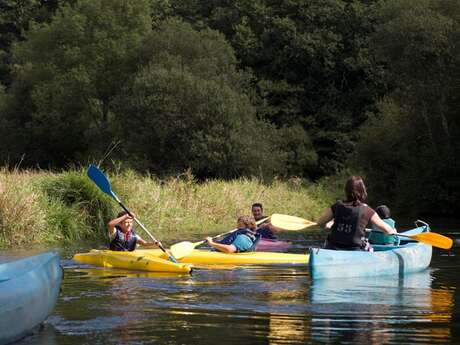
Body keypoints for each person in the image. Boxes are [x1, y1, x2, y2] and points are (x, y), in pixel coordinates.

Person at [316, 176, 397, 251]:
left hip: (333, 247)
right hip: (354, 249)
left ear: (346, 190)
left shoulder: (337, 205)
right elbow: (387, 230)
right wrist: (392, 231)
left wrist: (331, 222)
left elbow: (320, 222)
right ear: (362, 191)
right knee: (369, 247)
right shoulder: (367, 210)